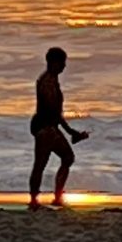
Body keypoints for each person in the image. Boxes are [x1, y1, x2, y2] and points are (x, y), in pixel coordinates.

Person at [28, 46, 88, 208]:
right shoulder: (47, 82)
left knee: (67, 158)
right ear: (54, 63)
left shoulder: (53, 80)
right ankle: (34, 201)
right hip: (45, 128)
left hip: (50, 126)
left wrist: (70, 132)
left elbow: (55, 113)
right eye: (62, 63)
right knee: (40, 164)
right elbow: (52, 111)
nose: (64, 66)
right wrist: (70, 132)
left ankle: (56, 197)